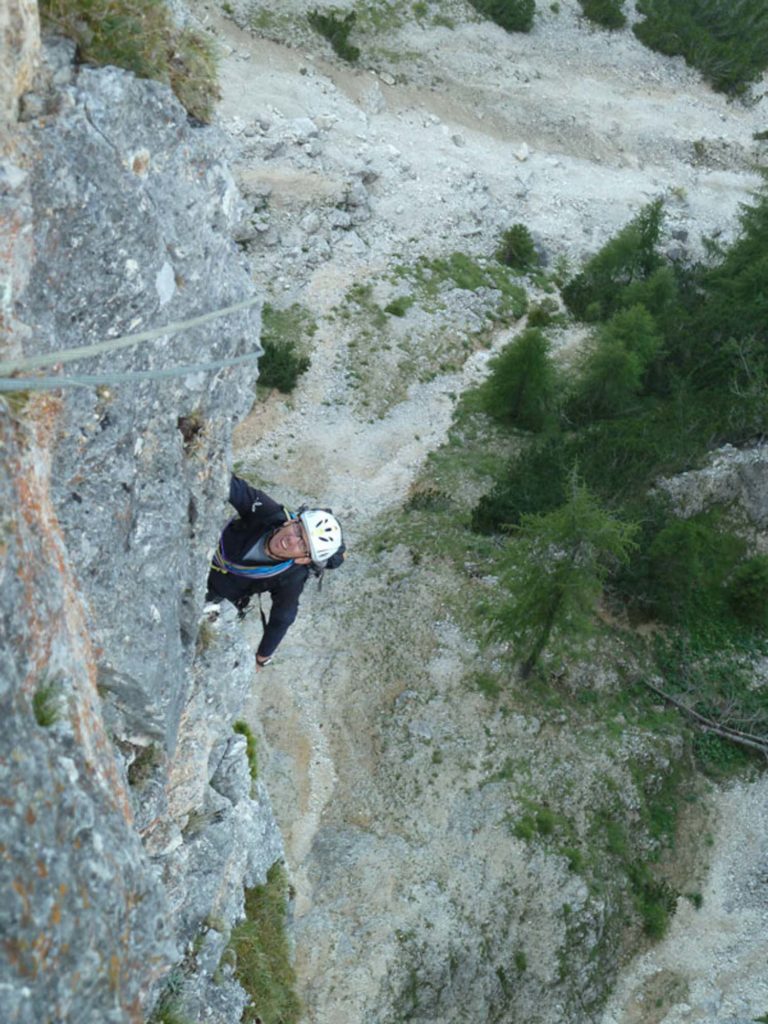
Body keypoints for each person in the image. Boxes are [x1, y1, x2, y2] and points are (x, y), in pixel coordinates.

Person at [206, 475, 344, 668]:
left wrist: (262, 657)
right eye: (298, 531)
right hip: (197, 551)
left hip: (213, 596)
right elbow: (234, 488)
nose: (291, 540)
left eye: (302, 544)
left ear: (303, 559)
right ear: (291, 522)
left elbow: (283, 617)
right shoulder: (269, 514)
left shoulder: (292, 576)